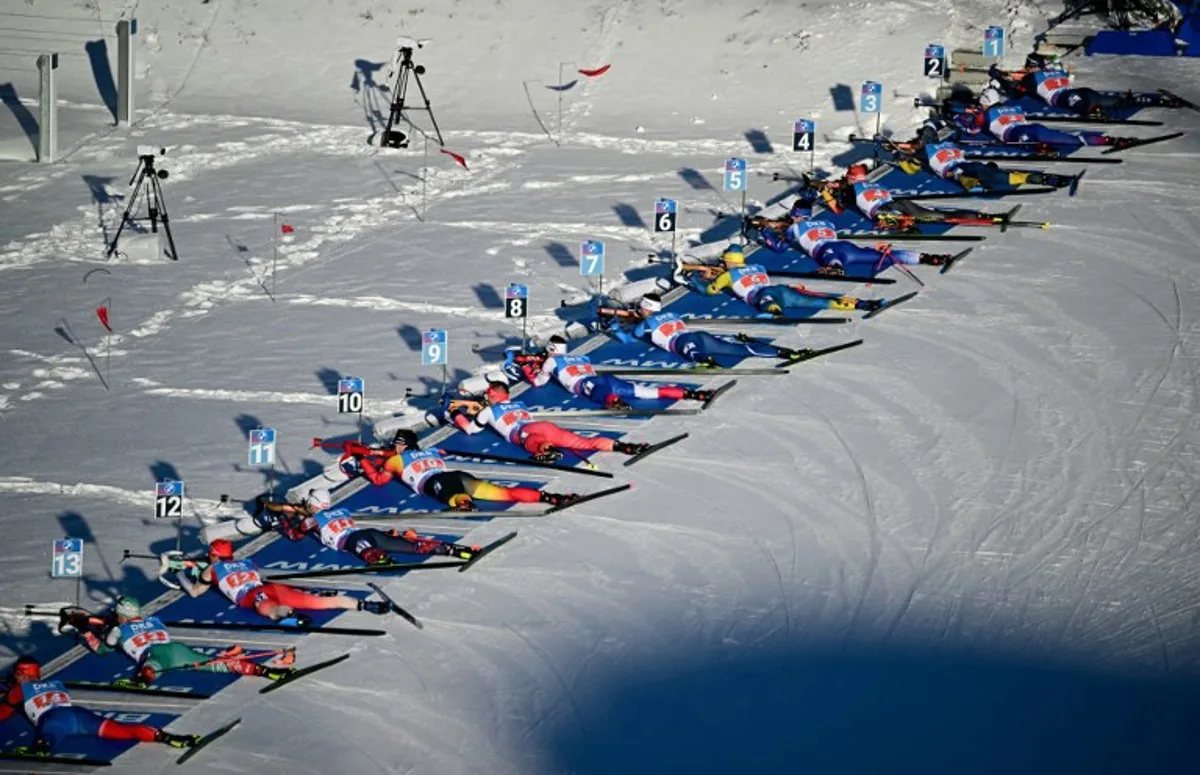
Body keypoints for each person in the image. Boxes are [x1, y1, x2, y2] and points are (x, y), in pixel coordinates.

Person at [61, 596, 292, 687]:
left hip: (158, 655)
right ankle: (263, 670)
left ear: (120, 614)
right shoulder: (155, 620)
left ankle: (142, 681)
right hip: (178, 650)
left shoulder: (119, 629)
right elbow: (130, 623)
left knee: (152, 667)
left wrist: (86, 631)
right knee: (218, 665)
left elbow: (104, 650)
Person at [324, 431, 581, 509]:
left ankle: (465, 504)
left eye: (398, 444)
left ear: (407, 445)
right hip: (457, 475)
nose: (395, 447)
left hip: (438, 482)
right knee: (504, 493)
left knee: (456, 497)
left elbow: (379, 480)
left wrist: (364, 461)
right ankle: (549, 498)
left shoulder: (395, 461)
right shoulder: (433, 451)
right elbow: (440, 452)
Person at [0, 655, 199, 753]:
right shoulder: (57, 683)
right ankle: (164, 736)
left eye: (17, 673)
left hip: (55, 719)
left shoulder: (19, 690)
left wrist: (7, 698)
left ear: (22, 674)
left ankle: (41, 748)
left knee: (42, 748)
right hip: (79, 715)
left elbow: (3, 714)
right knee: (124, 730)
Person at [175, 539, 390, 626]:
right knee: (317, 602)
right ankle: (364, 605)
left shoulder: (211, 569)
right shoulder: (247, 561)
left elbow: (195, 592)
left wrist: (179, 575)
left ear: (213, 556)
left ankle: (291, 618)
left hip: (251, 596)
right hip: (270, 588)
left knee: (266, 609)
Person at [257, 486, 482, 563]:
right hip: (368, 533)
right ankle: (456, 550)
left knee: (365, 550)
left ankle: (380, 559)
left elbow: (296, 535)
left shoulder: (310, 519)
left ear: (313, 504)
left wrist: (283, 522)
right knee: (409, 546)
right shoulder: (341, 510)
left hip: (354, 540)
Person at [447, 381, 649, 463]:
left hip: (528, 431)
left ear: (491, 395)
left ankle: (545, 450)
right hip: (546, 427)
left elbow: (469, 429)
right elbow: (493, 408)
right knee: (583, 443)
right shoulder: (519, 403)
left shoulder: (488, 410)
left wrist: (455, 412)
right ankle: (622, 446)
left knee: (530, 441)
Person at [596, 293, 815, 366]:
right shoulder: (672, 313)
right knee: (737, 349)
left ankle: (706, 362)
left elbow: (629, 339)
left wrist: (614, 327)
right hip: (697, 335)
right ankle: (785, 352)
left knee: (690, 352)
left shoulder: (646, 323)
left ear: (645, 308)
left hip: (683, 342)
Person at [509, 334, 715, 408]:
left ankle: (614, 402)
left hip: (588, 385)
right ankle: (690, 393)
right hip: (604, 378)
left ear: (551, 350)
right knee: (645, 391)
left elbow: (539, 382)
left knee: (601, 395)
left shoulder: (551, 363)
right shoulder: (582, 357)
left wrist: (527, 365)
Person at [680, 244, 883, 315]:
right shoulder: (757, 266)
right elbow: (741, 275)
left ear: (727, 261)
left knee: (767, 302)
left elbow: (709, 291)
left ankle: (774, 313)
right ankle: (863, 304)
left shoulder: (727, 274)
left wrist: (694, 279)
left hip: (765, 295)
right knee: (822, 299)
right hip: (783, 290)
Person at [746, 213, 953, 276]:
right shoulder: (825, 222)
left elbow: (779, 248)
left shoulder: (794, 229)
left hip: (829, 249)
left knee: (829, 256)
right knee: (886, 255)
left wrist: (764, 232)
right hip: (846, 246)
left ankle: (835, 268)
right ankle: (929, 258)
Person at [989, 54, 1185, 117]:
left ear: (1032, 67)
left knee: (1078, 102)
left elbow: (1015, 90)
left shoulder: (1031, 78)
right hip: (1081, 91)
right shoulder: (1056, 71)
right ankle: (1157, 100)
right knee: (1115, 102)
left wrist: (998, 75)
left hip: (1070, 97)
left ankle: (1091, 110)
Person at [886, 129, 1076, 193]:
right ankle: (1044, 179)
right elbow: (913, 161)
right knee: (1002, 177)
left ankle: (1045, 180)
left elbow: (911, 166)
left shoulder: (925, 153)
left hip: (963, 168)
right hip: (967, 168)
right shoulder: (943, 146)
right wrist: (902, 153)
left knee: (998, 177)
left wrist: (900, 153)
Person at [831, 163, 1011, 230]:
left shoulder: (851, 190)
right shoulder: (875, 183)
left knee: (934, 218)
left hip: (888, 209)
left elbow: (837, 209)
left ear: (852, 178)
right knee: (941, 215)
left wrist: (828, 192)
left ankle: (907, 227)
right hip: (898, 203)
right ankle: (985, 216)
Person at [954, 86, 1140, 150]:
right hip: (1034, 126)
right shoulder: (1013, 107)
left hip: (1019, 134)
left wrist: (966, 116)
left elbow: (970, 129)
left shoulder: (984, 115)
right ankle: (1112, 140)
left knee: (1033, 141)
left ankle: (1041, 148)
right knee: (1071, 138)